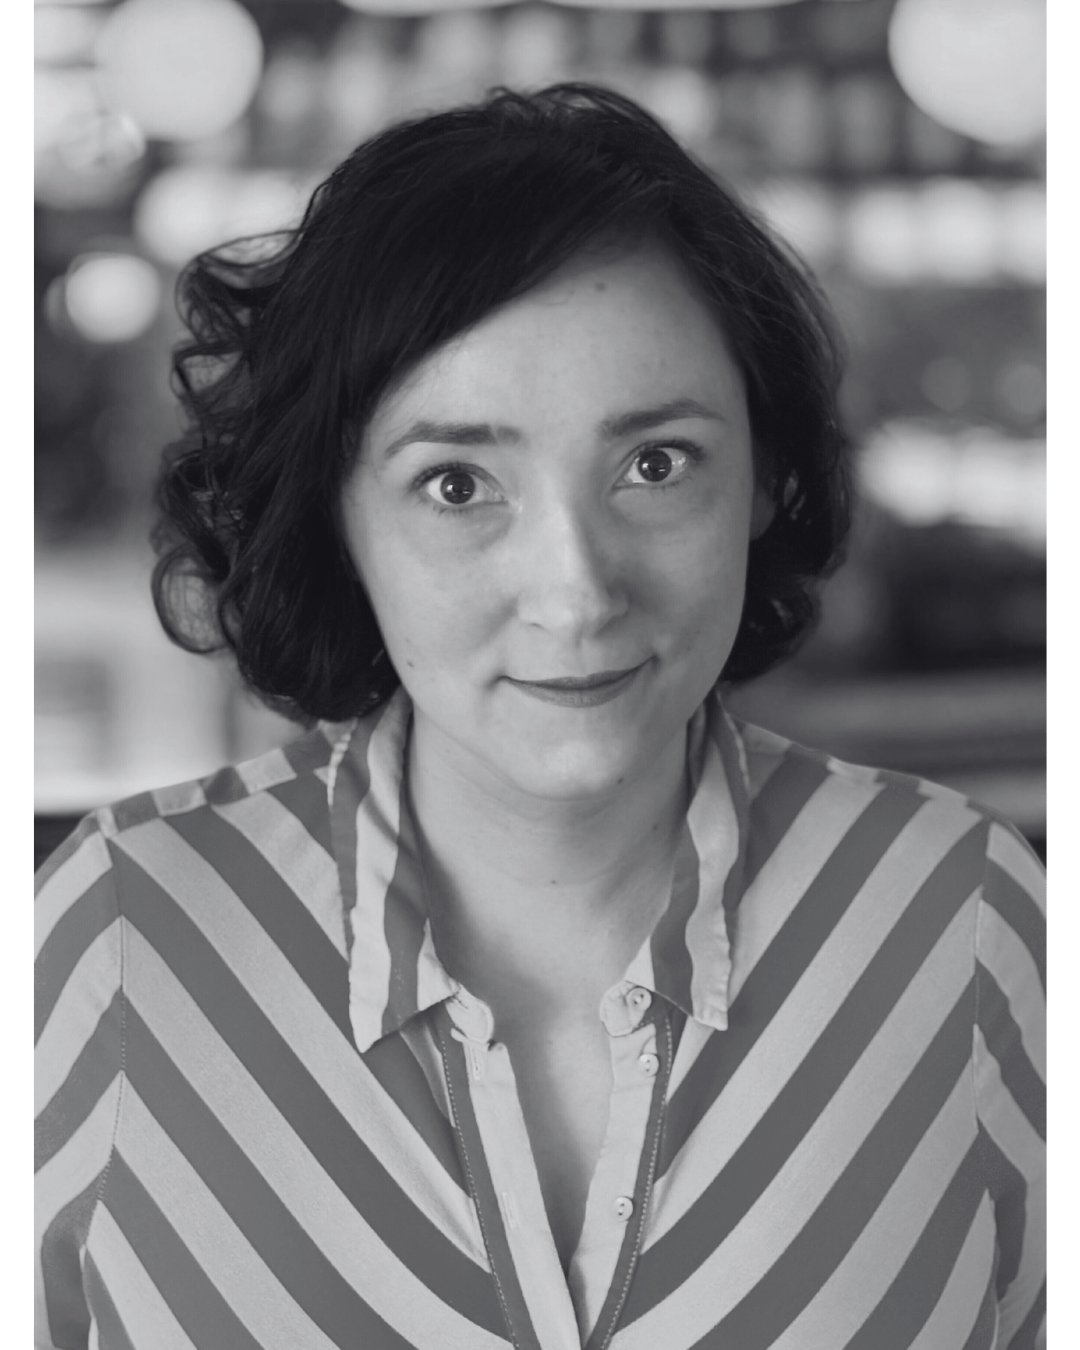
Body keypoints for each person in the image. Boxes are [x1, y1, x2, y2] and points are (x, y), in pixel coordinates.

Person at [34, 84, 1045, 1350]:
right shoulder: (119, 937)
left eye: (656, 464)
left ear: (766, 479)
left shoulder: (965, 918)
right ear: (336, 516)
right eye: (458, 484)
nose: (575, 593)